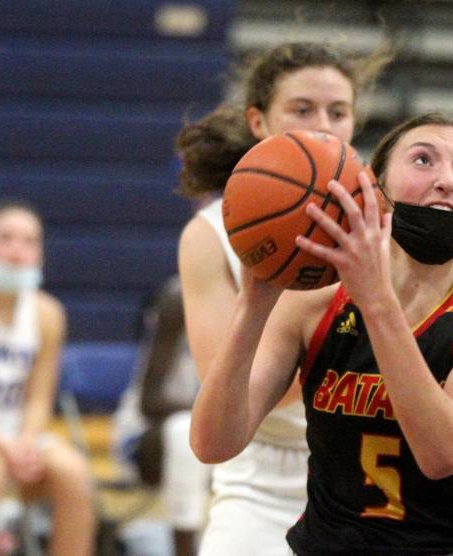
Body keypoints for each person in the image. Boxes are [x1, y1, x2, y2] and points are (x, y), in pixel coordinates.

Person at [190, 112, 453, 554]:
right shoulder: (312, 304)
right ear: (376, 193)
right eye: (423, 160)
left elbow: (441, 454)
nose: (448, 180)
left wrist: (377, 303)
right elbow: (212, 443)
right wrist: (252, 310)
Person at [176, 41, 394, 555]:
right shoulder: (212, 235)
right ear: (258, 122)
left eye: (338, 112)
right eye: (302, 109)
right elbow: (224, 392)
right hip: (262, 470)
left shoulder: (387, 225)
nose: (323, 124)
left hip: (370, 470)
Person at [0, 200, 95, 556]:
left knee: (74, 471)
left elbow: (38, 398)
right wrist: (4, 447)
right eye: (6, 238)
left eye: (29, 241)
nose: (17, 251)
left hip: (17, 435)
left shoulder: (47, 313)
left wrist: (28, 441)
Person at [113, 275, 210, 556]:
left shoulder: (262, 296)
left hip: (214, 434)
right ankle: (184, 549)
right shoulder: (179, 298)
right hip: (145, 437)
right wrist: (214, 411)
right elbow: (150, 402)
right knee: (186, 430)